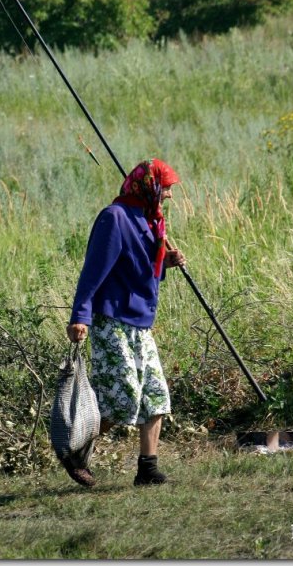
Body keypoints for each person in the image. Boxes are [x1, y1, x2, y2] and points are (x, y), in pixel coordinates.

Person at [66, 158, 186, 488]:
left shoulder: (150, 221)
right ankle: (75, 452)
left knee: (156, 395)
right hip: (112, 320)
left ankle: (147, 470)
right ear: (149, 187)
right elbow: (93, 273)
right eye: (167, 189)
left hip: (140, 322)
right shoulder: (114, 218)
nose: (170, 196)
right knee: (122, 397)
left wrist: (165, 264)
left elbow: (138, 269)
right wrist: (80, 317)